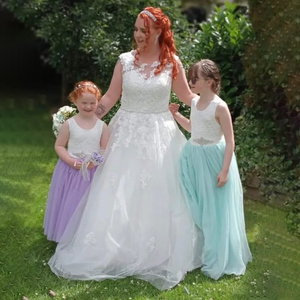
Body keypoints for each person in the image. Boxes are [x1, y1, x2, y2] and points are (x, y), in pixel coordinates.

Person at [48, 7, 203, 290]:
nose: (138, 35)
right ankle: (111, 247)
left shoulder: (172, 63)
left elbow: (187, 95)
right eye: (135, 29)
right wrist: (83, 121)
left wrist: (211, 107)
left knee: (162, 192)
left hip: (161, 137)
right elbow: (109, 96)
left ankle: (158, 250)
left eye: (144, 30)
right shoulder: (125, 61)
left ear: (159, 32)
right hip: (125, 132)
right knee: (116, 190)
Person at [169, 59, 252, 280]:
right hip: (194, 157)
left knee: (216, 208)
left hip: (213, 160)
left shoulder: (220, 107)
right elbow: (193, 128)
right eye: (190, 78)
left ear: (209, 81)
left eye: (194, 79)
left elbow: (230, 141)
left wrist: (224, 170)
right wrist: (176, 115)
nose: (190, 82)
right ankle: (199, 247)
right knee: (197, 203)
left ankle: (219, 252)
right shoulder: (195, 103)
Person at [43, 81, 110, 242]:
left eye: (92, 103)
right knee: (70, 202)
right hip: (71, 170)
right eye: (84, 103)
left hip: (92, 171)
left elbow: (104, 149)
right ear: (75, 101)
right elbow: (59, 146)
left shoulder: (102, 126)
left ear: (98, 102)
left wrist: (95, 161)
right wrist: (70, 161)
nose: (88, 106)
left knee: (89, 203)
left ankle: (86, 234)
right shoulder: (69, 124)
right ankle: (66, 233)